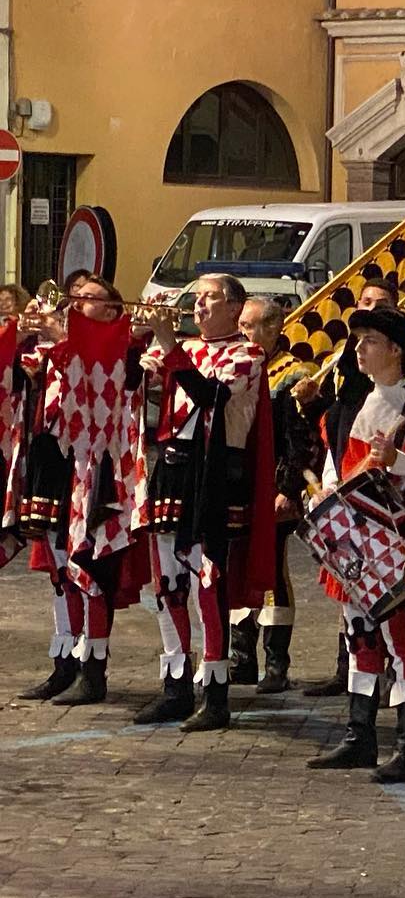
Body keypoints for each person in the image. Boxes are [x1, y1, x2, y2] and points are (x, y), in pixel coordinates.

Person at [308, 306, 405, 782]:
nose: (358, 349)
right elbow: (343, 465)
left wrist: (399, 462)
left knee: (401, 645)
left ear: (396, 350)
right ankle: (360, 736)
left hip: (396, 546)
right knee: (359, 639)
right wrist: (327, 491)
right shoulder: (362, 404)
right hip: (355, 545)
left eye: (369, 340)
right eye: (358, 341)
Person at [139, 273, 272, 731]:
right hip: (172, 465)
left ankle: (215, 693)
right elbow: (139, 382)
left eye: (209, 298)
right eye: (196, 299)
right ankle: (175, 682)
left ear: (236, 308)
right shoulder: (186, 347)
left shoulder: (248, 354)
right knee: (166, 580)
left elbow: (210, 396)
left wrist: (168, 346)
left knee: (206, 578)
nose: (199, 306)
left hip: (215, 471)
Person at [16, 276, 147, 706]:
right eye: (77, 297)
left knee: (91, 567)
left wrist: (62, 339)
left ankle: (95, 669)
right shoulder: (58, 344)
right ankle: (65, 663)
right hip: (52, 459)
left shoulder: (121, 349)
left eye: (90, 299)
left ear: (112, 312)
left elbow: (99, 397)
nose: (77, 303)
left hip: (98, 465)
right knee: (59, 568)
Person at [296, 275, 400, 698]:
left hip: (387, 514)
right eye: (365, 301)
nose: (371, 308)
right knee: (351, 603)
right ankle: (355, 691)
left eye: (380, 304)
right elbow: (340, 425)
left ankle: (393, 685)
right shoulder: (350, 366)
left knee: (390, 619)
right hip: (346, 487)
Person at [227, 296, 322, 695]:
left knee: (272, 572)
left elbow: (301, 441)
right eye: (241, 326)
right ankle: (240, 657)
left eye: (250, 326)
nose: (243, 333)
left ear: (273, 329)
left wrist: (287, 489)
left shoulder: (295, 374)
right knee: (235, 565)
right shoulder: (235, 366)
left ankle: (276, 662)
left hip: (276, 485)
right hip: (238, 484)